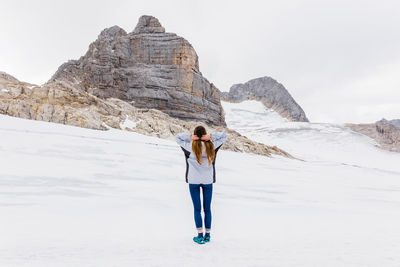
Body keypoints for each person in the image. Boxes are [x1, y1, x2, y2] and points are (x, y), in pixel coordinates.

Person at [175, 125, 228, 244]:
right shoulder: (212, 146)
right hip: (207, 180)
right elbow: (225, 136)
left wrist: (190, 137)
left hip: (193, 180)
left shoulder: (189, 146)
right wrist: (210, 137)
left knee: (197, 209)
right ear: (205, 135)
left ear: (195, 135)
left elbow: (177, 138)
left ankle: (199, 235)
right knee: (207, 209)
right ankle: (207, 235)